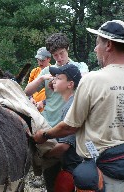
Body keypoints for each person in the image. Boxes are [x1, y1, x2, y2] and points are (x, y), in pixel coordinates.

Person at [33, 20, 124, 192]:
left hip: (103, 172)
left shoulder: (93, 80)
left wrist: (44, 135)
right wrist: (117, 132)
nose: (95, 49)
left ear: (108, 45)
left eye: (97, 44)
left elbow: (70, 127)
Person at [25, 33, 89, 192]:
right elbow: (27, 91)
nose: (59, 58)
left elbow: (86, 83)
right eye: (55, 55)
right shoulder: (47, 69)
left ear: (67, 49)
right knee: (52, 177)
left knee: (71, 171)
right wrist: (41, 79)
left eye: (62, 53)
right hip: (48, 124)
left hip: (70, 125)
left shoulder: (79, 68)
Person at [46, 65, 83, 192]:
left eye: (59, 78)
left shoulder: (71, 107)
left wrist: (43, 155)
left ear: (70, 84)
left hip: (74, 168)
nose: (54, 81)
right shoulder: (71, 103)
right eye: (54, 77)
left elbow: (63, 146)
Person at [28, 47, 51, 112]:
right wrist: (30, 98)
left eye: (42, 60)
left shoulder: (54, 72)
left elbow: (57, 96)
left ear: (49, 59)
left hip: (47, 110)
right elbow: (29, 90)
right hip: (33, 109)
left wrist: (43, 102)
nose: (40, 63)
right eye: (38, 60)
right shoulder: (34, 71)